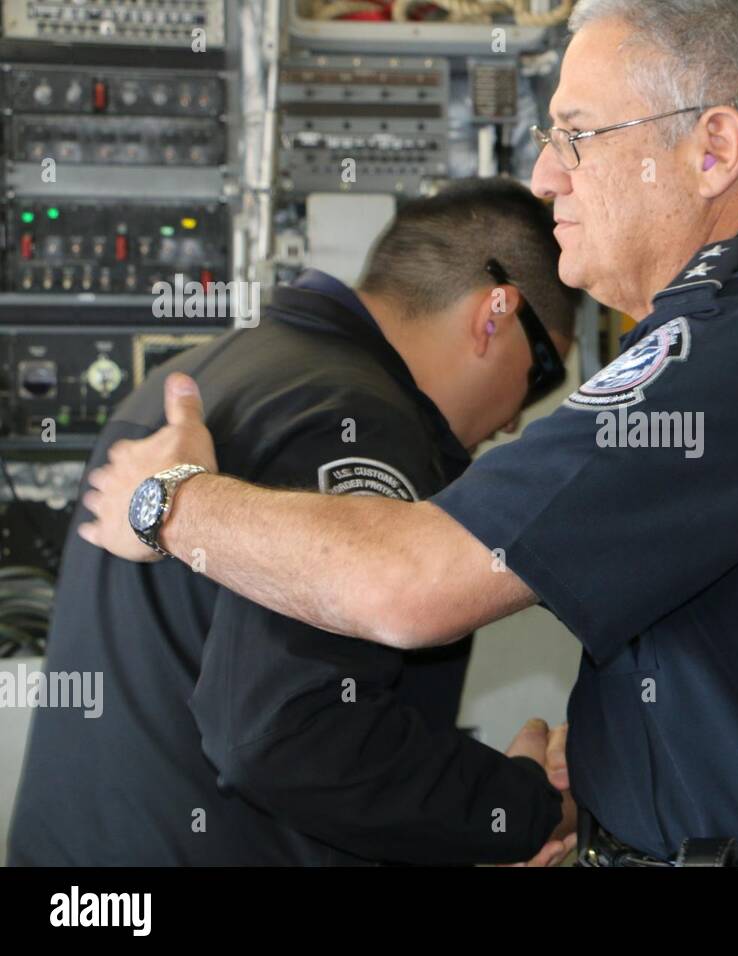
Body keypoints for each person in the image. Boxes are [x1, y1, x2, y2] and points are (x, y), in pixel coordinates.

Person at [79, 0, 738, 865]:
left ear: (713, 149)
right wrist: (619, 753)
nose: (545, 174)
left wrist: (170, 502)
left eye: (578, 135)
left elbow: (410, 584)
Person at [9, 178, 581, 866]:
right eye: (543, 372)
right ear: (493, 315)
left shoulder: (206, 373)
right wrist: (520, 806)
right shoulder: (361, 423)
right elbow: (292, 733)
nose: (518, 417)